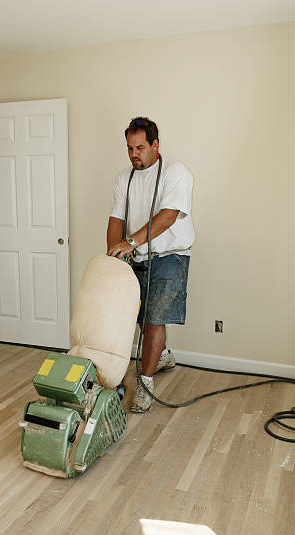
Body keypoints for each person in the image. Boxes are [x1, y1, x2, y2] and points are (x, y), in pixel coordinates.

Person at [107, 117, 195, 413]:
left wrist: (130, 243)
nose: (134, 154)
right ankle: (163, 356)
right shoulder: (125, 177)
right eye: (130, 148)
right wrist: (112, 254)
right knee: (136, 316)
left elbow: (168, 215)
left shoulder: (176, 172)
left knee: (154, 319)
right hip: (138, 255)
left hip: (170, 255)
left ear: (155, 145)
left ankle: (145, 382)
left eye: (140, 147)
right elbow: (116, 218)